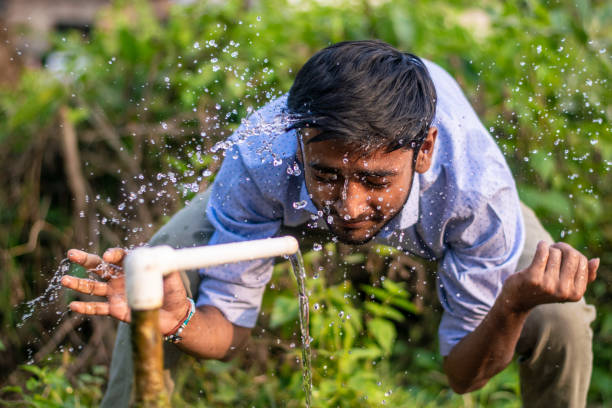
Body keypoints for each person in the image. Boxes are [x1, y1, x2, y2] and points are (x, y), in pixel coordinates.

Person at [61, 40, 598, 408]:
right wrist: (176, 321)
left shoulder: (477, 195)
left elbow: (464, 377)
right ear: (299, 146)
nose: (348, 205)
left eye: (374, 179)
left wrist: (512, 305)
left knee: (562, 321)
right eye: (327, 173)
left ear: (425, 150)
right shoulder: (261, 159)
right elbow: (229, 335)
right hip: (288, 203)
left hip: (442, 205)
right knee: (153, 276)